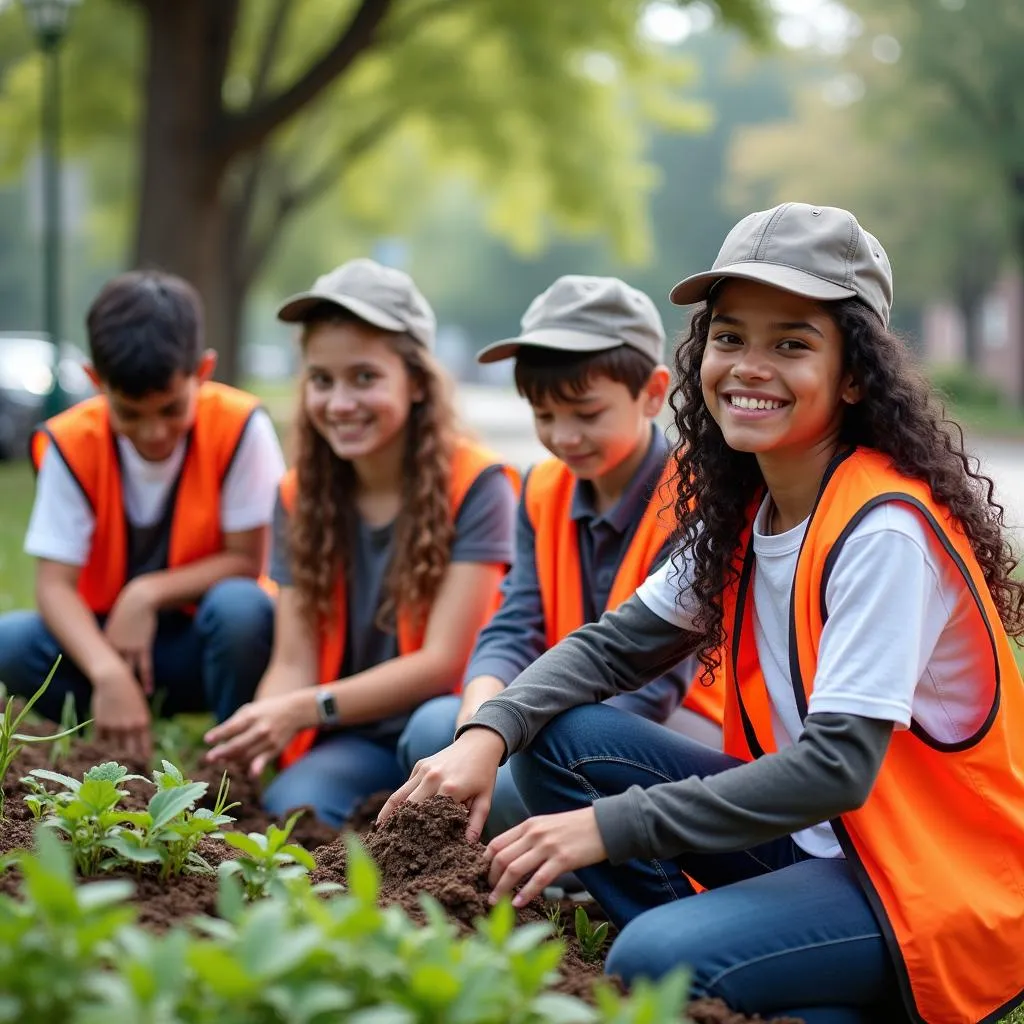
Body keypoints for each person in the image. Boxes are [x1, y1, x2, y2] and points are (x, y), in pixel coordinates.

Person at [380, 204, 1024, 1024]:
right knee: (561, 743)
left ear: (855, 372)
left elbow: (836, 770)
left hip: (927, 877)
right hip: (823, 844)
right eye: (729, 337)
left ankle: (784, 978)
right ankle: (749, 966)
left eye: (791, 343)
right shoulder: (750, 506)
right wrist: (487, 734)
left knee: (652, 957)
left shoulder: (883, 529)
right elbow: (610, 650)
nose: (749, 366)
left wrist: (608, 828)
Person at [396, 275, 722, 838]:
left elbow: (655, 686)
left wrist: (509, 735)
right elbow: (515, 622)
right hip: (553, 710)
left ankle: (568, 848)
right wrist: (478, 721)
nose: (563, 436)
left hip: (674, 727)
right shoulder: (542, 488)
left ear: (651, 392)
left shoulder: (698, 494)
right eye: (543, 415)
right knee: (432, 730)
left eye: (586, 413)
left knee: (523, 772)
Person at [204, 258, 518, 828]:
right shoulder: (300, 493)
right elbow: (294, 657)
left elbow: (443, 661)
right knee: (292, 811)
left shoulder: (478, 484)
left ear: (417, 381)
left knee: (429, 735)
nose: (340, 403)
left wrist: (304, 709)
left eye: (365, 377)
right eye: (322, 380)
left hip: (449, 721)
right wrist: (264, 726)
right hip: (356, 735)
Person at [0, 270, 284, 760]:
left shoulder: (241, 428)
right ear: (95, 381)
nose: (153, 432)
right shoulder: (72, 443)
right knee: (11, 642)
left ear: (203, 371)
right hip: (106, 646)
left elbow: (247, 562)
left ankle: (235, 752)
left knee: (242, 608)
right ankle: (108, 725)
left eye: (172, 409)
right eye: (130, 413)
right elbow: (54, 585)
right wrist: (108, 671)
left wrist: (145, 594)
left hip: (205, 646)